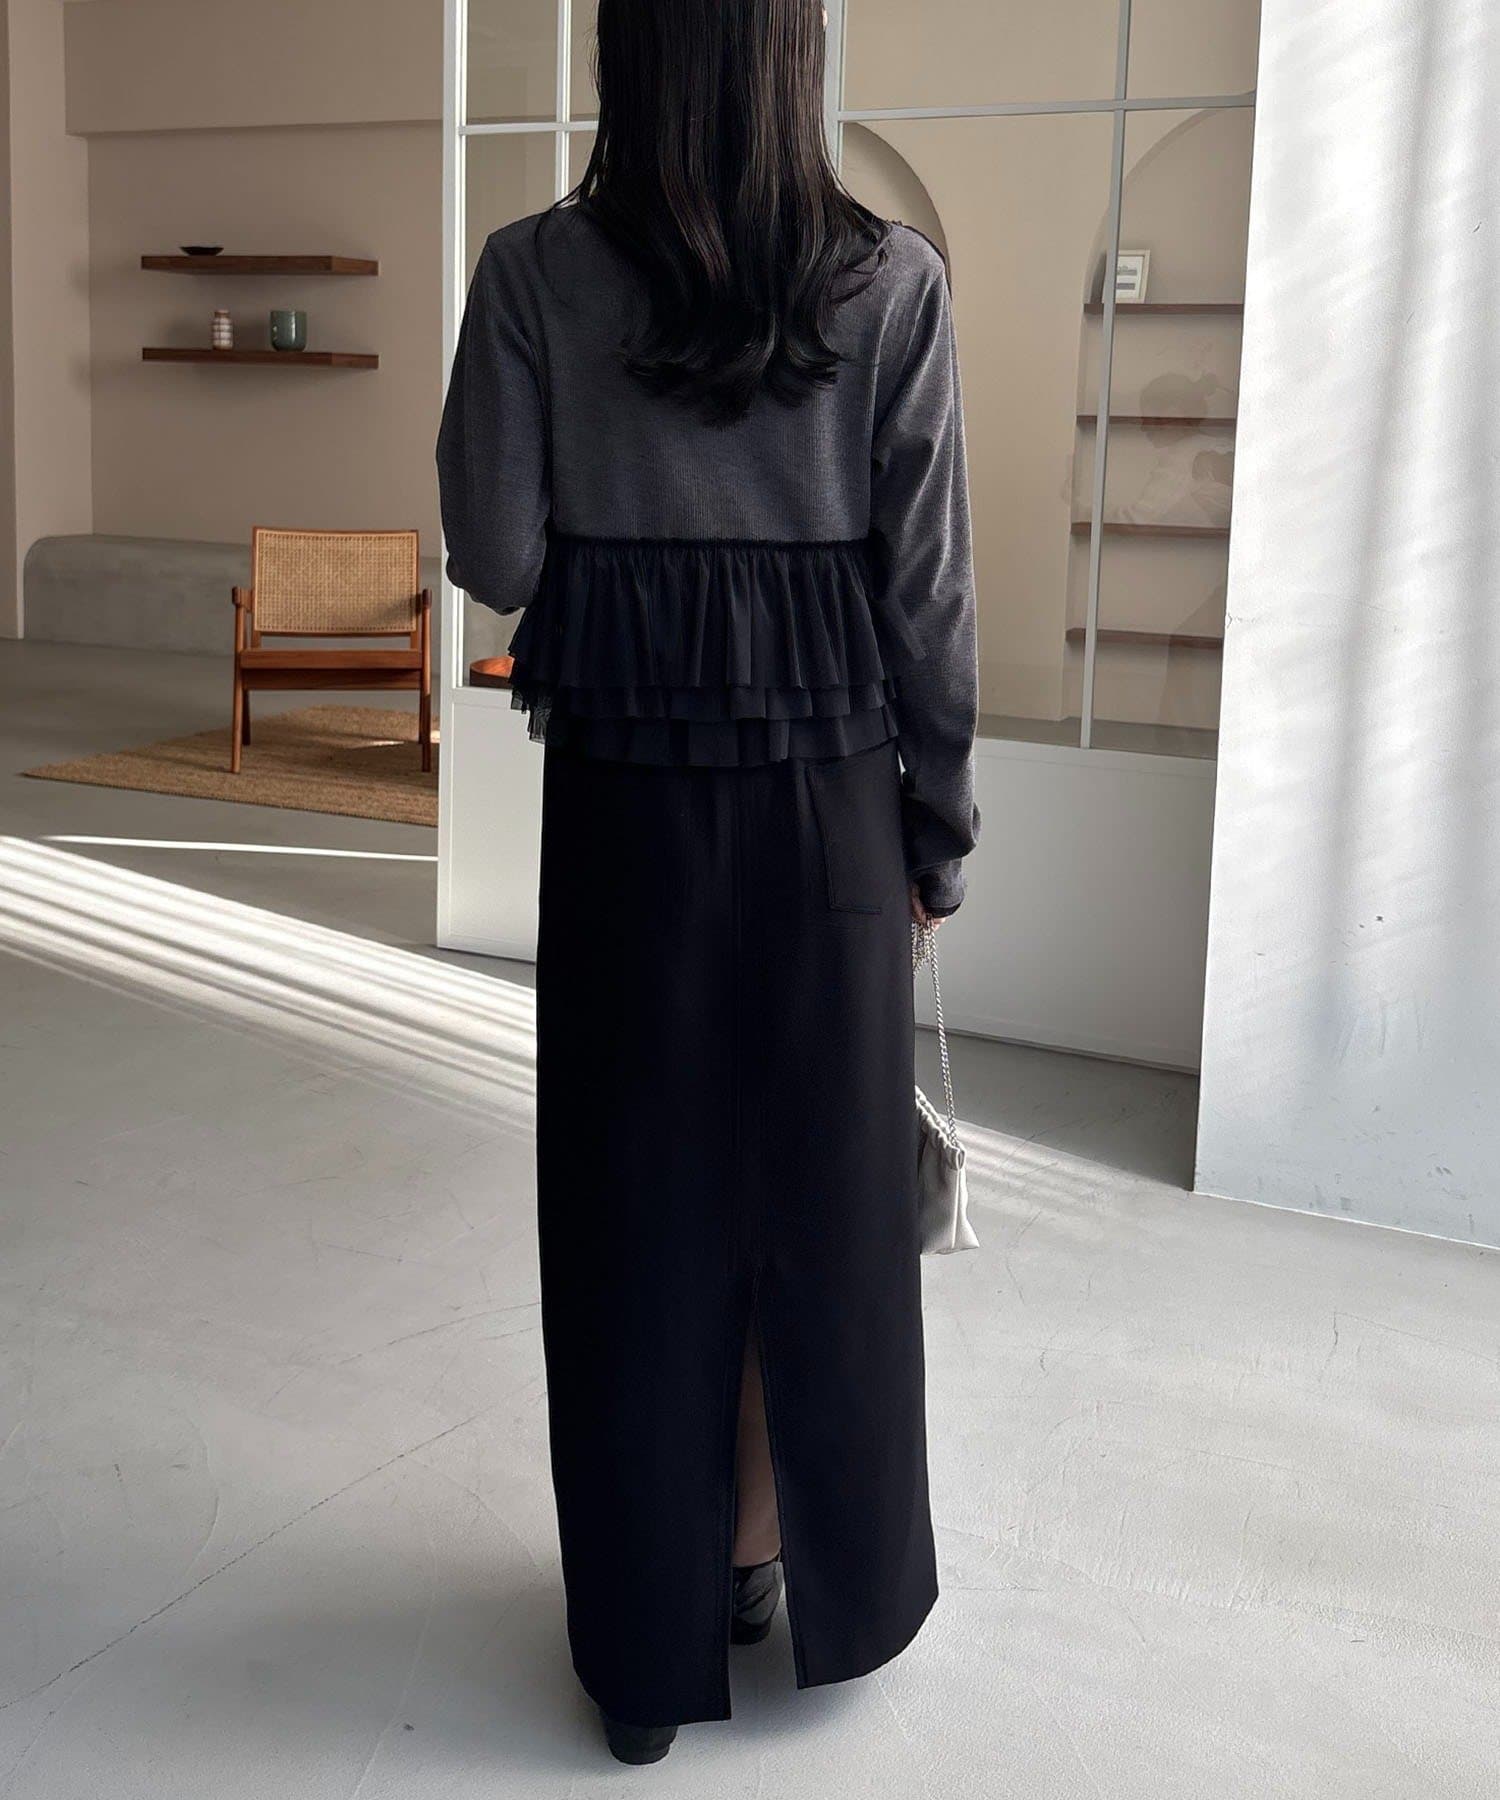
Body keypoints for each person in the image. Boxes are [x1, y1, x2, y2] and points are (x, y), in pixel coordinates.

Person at [436, 0, 979, 1765]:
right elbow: (928, 598)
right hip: (832, 811)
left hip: (624, 811)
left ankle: (644, 1646)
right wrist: (938, 827)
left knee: (636, 1210)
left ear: (630, 56)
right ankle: (776, 1567)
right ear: (790, 59)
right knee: (817, 1210)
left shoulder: (531, 273)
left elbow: (497, 555)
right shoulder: (892, 284)